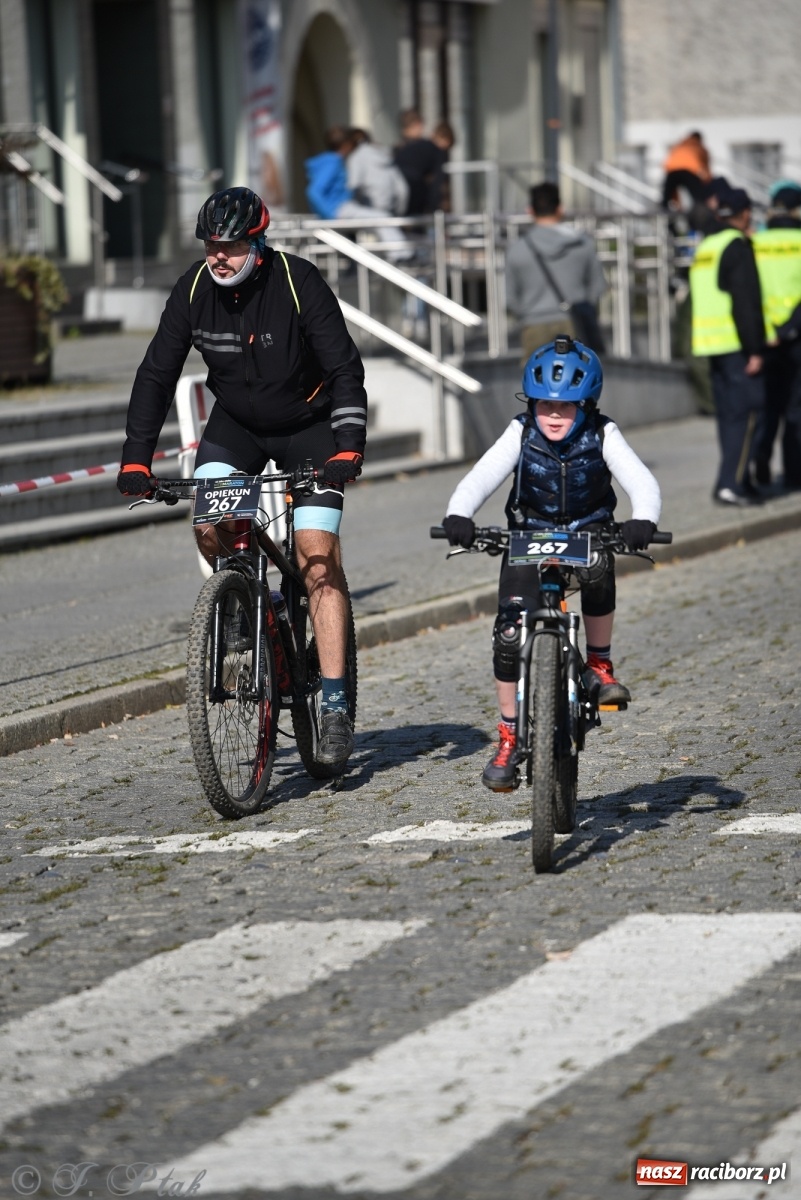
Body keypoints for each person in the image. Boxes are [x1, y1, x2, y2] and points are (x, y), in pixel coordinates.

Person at [116, 186, 367, 768]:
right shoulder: (195, 289)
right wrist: (136, 457)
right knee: (211, 523)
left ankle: (332, 704)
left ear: (257, 242)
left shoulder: (298, 282)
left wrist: (348, 446)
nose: (218, 257)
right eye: (211, 246)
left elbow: (344, 369)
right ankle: (235, 611)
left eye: (230, 246)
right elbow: (157, 372)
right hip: (238, 426)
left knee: (315, 556)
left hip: (311, 426)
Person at [440, 335, 662, 791]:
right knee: (507, 632)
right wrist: (459, 514)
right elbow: (482, 474)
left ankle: (599, 665)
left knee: (601, 566)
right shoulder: (520, 432)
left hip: (588, 534)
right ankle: (508, 736)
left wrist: (643, 520)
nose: (554, 415)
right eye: (544, 405)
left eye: (567, 406)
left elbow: (641, 480)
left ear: (588, 405)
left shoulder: (604, 434)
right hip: (528, 536)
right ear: (531, 403)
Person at [689, 186, 766, 506]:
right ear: (745, 213)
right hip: (735, 345)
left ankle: (736, 480)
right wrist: (755, 350)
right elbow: (745, 303)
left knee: (730, 417)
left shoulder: (708, 245)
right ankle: (730, 483)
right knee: (749, 415)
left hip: (710, 344)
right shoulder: (736, 245)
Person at [505, 182, 607, 361]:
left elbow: (511, 299)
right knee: (578, 381)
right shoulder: (582, 243)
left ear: (530, 210)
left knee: (538, 383)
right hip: (575, 324)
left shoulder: (518, 250)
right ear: (560, 209)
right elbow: (598, 286)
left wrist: (528, 314)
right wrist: (583, 307)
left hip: (534, 325)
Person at [751, 183, 801, 489]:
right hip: (797, 337)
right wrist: (790, 327)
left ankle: (761, 468)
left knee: (767, 407)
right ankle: (794, 474)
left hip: (764, 339)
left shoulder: (756, 242)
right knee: (796, 409)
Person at [305, 127, 411, 261]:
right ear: (346, 145)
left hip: (339, 208)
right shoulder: (333, 161)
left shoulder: (330, 160)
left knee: (377, 220)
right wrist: (329, 215)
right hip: (338, 209)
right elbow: (313, 191)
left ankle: (400, 253)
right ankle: (402, 254)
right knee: (381, 218)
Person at [393, 109, 447, 217]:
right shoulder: (430, 148)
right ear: (418, 124)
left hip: (395, 198)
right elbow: (437, 182)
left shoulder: (397, 150)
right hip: (416, 198)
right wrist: (435, 208)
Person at [662, 131, 712, 211]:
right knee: (698, 197)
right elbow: (706, 167)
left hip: (671, 171)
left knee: (666, 198)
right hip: (689, 171)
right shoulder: (698, 146)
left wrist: (677, 204)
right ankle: (700, 213)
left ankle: (666, 213)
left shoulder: (678, 145)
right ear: (699, 139)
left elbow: (673, 191)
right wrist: (708, 182)